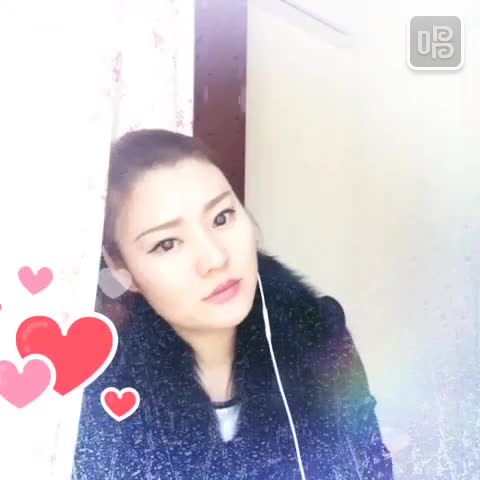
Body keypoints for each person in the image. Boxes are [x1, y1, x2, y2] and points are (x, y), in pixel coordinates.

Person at [72, 129, 393, 479]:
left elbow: (372, 465)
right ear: (121, 268)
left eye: (222, 218)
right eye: (167, 244)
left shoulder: (318, 332)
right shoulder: (98, 392)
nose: (215, 258)